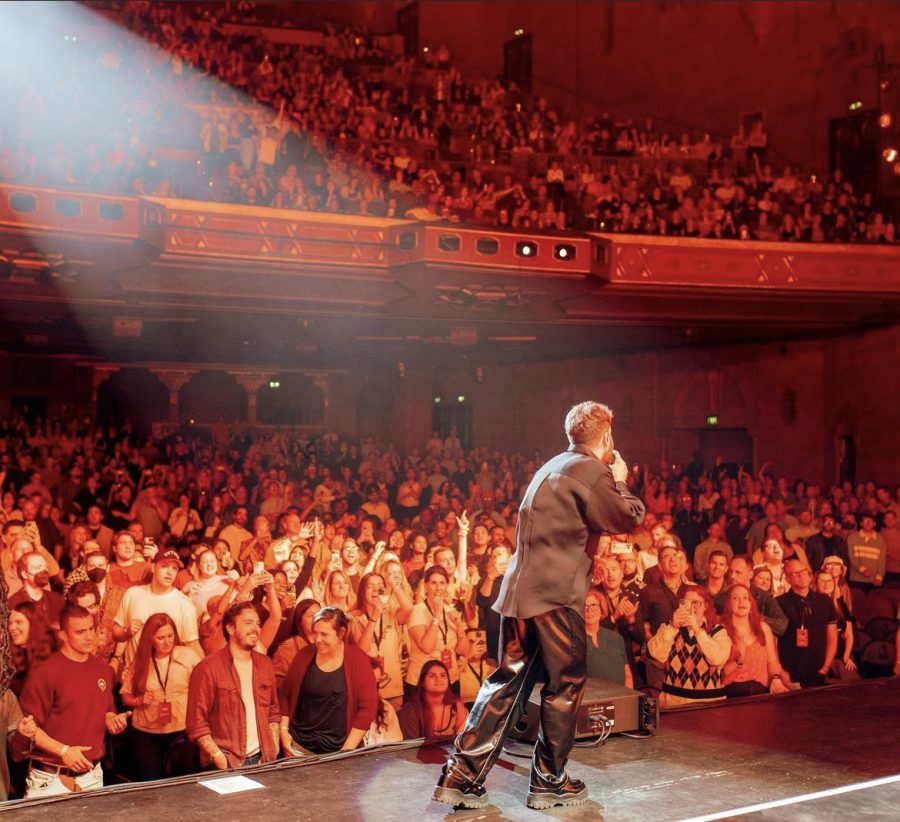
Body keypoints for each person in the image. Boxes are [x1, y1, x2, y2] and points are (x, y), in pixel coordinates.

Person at [435, 401, 644, 811]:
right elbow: (628, 517)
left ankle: (461, 774)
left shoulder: (549, 467)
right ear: (605, 438)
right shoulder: (593, 471)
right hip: (556, 596)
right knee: (563, 686)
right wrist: (619, 479)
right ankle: (549, 780)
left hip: (519, 594)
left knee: (505, 683)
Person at [18, 605, 130, 796]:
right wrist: (63, 751)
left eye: (91, 629)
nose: (88, 637)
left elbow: (106, 710)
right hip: (49, 780)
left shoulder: (101, 668)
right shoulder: (45, 674)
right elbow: (29, 729)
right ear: (62, 635)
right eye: (80, 632)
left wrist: (112, 721)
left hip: (92, 776)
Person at [186, 601, 281, 769]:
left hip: (264, 760)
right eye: (248, 623)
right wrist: (219, 757)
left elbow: (273, 712)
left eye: (258, 623)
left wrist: (273, 747)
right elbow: (196, 723)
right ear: (230, 629)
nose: (256, 628)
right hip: (227, 762)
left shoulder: (265, 664)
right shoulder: (207, 668)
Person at [278, 607, 378, 756]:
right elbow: (284, 694)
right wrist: (284, 731)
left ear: (341, 633)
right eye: (315, 633)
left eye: (324, 634)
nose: (318, 640)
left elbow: (367, 708)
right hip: (299, 746)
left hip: (339, 749)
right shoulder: (304, 656)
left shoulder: (358, 660)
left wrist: (346, 751)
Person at [120, 613, 202, 781]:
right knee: (150, 784)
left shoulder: (188, 656)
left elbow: (204, 690)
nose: (167, 642)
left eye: (170, 636)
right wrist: (139, 700)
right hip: (146, 733)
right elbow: (125, 696)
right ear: (150, 639)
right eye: (161, 638)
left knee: (183, 785)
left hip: (181, 731)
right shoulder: (141, 660)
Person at [113, 550, 203, 665]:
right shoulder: (133, 594)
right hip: (133, 675)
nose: (169, 572)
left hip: (166, 678)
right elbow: (115, 631)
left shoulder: (185, 604)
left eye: (174, 568)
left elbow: (192, 644)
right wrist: (127, 632)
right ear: (153, 567)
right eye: (164, 566)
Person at [647, 587, 732, 708]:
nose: (692, 607)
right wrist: (672, 627)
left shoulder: (717, 631)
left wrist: (697, 630)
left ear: (706, 606)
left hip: (710, 704)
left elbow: (717, 659)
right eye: (686, 602)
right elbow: (656, 655)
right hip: (673, 703)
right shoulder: (669, 627)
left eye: (696, 602)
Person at [776, 558, 838, 688]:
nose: (801, 575)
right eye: (795, 573)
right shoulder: (779, 603)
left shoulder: (825, 601)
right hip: (790, 671)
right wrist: (779, 670)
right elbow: (773, 640)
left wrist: (825, 668)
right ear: (787, 580)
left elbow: (832, 637)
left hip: (818, 670)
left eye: (804, 571)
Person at [720, 584, 790, 697]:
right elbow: (717, 673)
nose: (741, 601)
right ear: (728, 604)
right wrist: (738, 661)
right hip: (730, 692)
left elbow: (772, 661)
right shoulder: (721, 629)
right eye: (735, 598)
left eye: (745, 597)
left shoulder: (764, 628)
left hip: (760, 691)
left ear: (751, 603)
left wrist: (776, 679)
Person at [399, 660, 468, 741]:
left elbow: (465, 741)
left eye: (443, 675)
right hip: (420, 753)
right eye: (432, 676)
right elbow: (410, 748)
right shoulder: (410, 709)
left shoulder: (456, 707)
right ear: (422, 682)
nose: (438, 679)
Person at [584, 590, 631, 687]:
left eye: (594, 605)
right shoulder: (574, 639)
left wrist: (628, 698)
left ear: (602, 611)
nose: (589, 610)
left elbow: (627, 675)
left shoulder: (616, 639)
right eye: (585, 606)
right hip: (592, 699)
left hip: (620, 697)